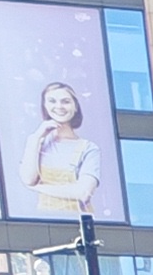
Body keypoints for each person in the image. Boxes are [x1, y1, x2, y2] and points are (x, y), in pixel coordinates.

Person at [19, 79, 102, 220]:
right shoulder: (36, 142)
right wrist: (36, 137)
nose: (59, 106)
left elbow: (83, 193)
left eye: (65, 101)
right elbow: (28, 178)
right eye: (52, 101)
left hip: (77, 221)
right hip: (45, 220)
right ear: (45, 106)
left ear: (75, 107)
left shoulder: (89, 148)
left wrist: (39, 188)